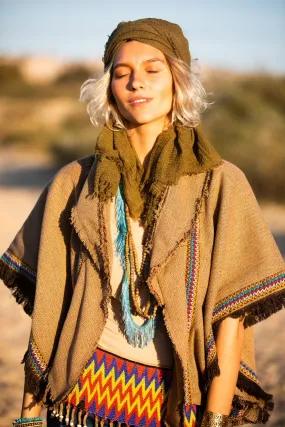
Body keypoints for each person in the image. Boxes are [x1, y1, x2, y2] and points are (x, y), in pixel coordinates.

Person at [1, 18, 285, 427]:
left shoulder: (220, 183)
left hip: (173, 408)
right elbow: (48, 309)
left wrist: (216, 419)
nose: (137, 83)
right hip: (78, 405)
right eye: (122, 73)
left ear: (178, 80)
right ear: (109, 87)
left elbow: (230, 322)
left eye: (153, 70)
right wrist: (27, 418)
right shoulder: (74, 183)